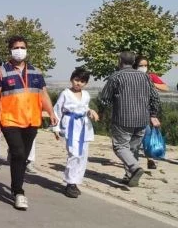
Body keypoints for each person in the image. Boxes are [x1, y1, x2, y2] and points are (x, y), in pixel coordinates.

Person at [0, 36, 58, 211]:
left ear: (26, 50)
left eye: (22, 47)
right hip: (9, 120)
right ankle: (18, 192)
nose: (19, 50)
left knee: (22, 157)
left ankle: (16, 180)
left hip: (32, 120)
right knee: (19, 153)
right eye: (16, 47)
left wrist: (51, 112)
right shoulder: (1, 72)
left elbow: (43, 94)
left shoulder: (36, 72)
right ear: (10, 50)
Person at [98, 51, 161, 187]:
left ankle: (134, 167)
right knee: (133, 149)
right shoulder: (145, 77)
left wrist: (101, 112)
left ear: (119, 61)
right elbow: (155, 97)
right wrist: (153, 115)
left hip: (122, 119)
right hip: (142, 119)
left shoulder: (116, 76)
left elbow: (104, 99)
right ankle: (129, 176)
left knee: (120, 146)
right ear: (133, 62)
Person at [53, 67, 99, 198]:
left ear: (86, 83)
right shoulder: (65, 93)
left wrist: (90, 111)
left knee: (83, 155)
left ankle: (76, 181)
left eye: (82, 81)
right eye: (76, 80)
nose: (78, 83)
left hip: (84, 126)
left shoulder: (86, 95)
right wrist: (56, 128)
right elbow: (57, 111)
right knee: (74, 154)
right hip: (70, 126)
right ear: (71, 79)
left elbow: (85, 108)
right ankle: (70, 183)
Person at [135, 55, 169, 171]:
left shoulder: (150, 76)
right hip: (133, 111)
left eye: (145, 65)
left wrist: (150, 83)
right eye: (141, 65)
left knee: (147, 135)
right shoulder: (131, 76)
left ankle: (149, 159)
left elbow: (165, 88)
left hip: (148, 112)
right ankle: (135, 162)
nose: (143, 67)